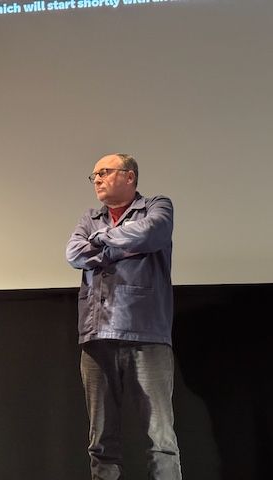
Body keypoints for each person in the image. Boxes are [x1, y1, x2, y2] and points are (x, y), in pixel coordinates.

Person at [65, 153, 182, 479]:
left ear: (129, 177)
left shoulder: (158, 206)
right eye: (94, 176)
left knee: (160, 439)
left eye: (104, 172)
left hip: (146, 334)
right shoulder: (90, 216)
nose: (97, 180)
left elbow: (151, 234)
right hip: (96, 336)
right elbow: (73, 253)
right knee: (101, 442)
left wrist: (101, 241)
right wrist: (124, 242)